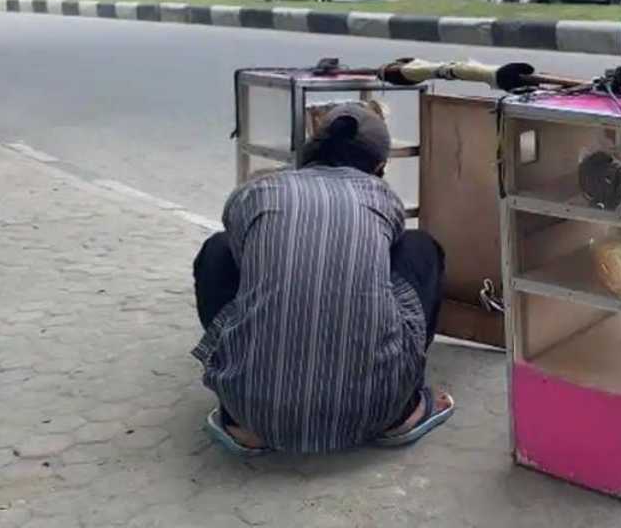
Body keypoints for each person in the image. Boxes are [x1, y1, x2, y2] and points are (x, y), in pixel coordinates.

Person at [191, 104, 453, 455]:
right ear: (380, 168)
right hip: (377, 410)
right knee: (420, 248)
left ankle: (242, 420)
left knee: (218, 250)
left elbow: (243, 266)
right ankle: (405, 411)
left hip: (251, 410)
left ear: (307, 153)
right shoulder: (383, 197)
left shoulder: (254, 193)